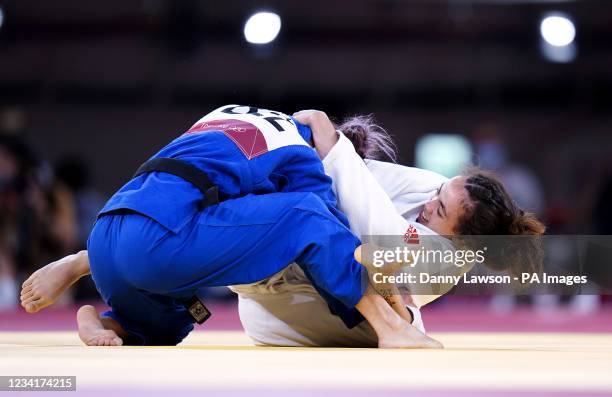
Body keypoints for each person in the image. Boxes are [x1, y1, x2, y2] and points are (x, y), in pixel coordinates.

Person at [20, 105, 439, 348]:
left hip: (110, 233)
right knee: (310, 214)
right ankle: (391, 331)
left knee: (187, 316)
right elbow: (327, 226)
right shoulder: (302, 152)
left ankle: (108, 316)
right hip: (156, 246)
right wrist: (395, 310)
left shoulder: (224, 116)